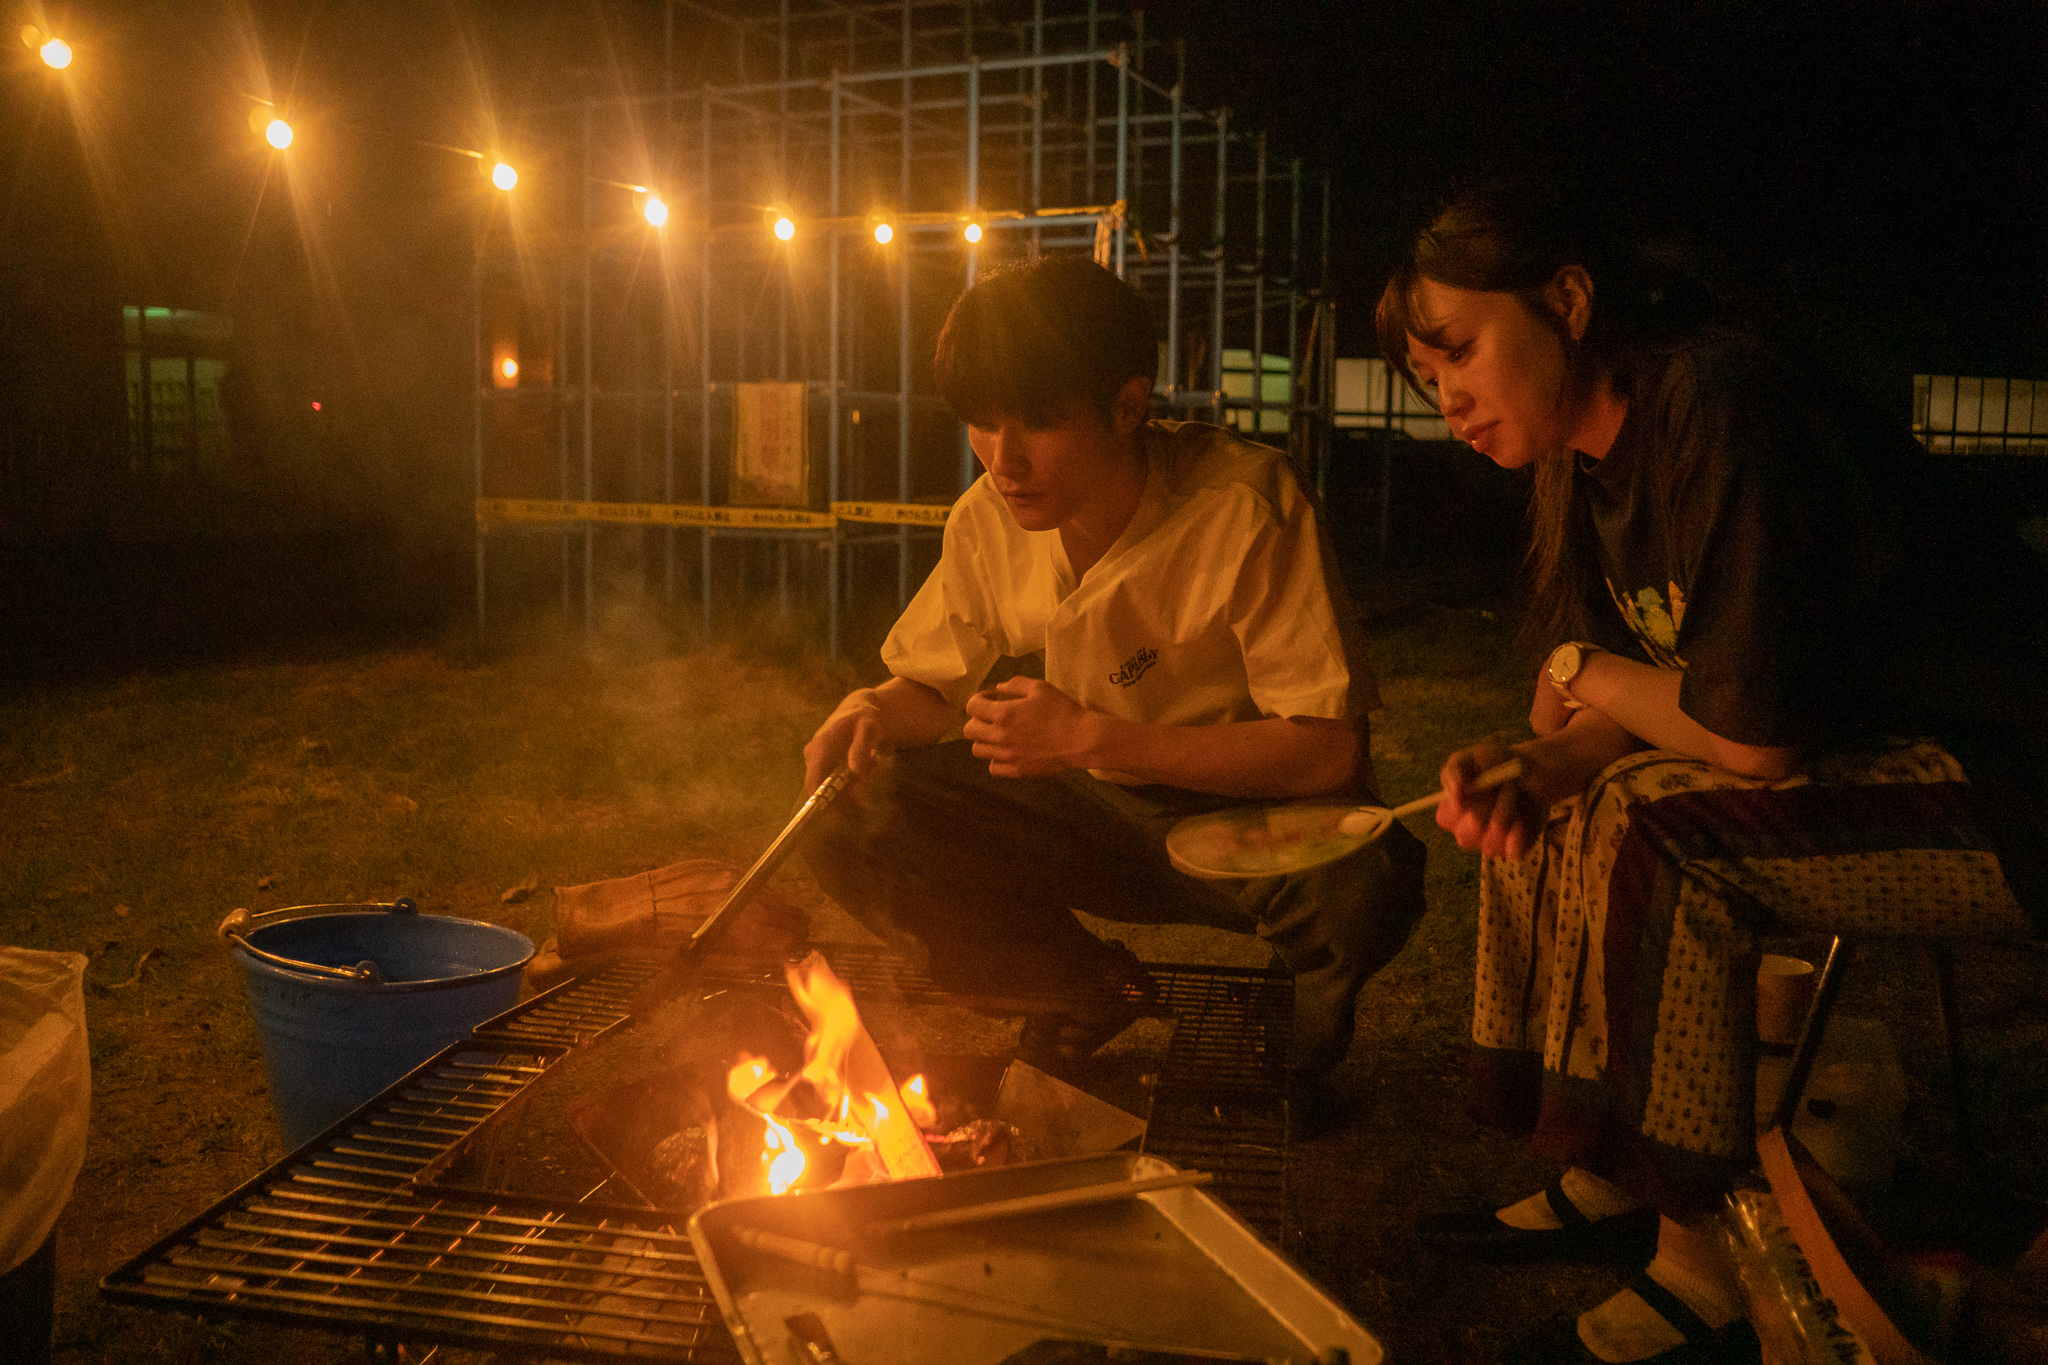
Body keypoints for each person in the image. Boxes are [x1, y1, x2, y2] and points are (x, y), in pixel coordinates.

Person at [1377, 180, 2048, 1364]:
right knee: (1569, 799)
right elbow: (1647, 701)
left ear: (1568, 300)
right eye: (1428, 379)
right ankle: (1601, 1157)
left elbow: (1747, 738)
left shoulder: (1714, 404)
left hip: (1999, 774)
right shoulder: (1587, 466)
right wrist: (1547, 755)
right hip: (1869, 751)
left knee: (1657, 832)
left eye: (1461, 352)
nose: (1449, 401)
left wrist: (1580, 676)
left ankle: (1703, 1261)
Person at [802, 255, 1426, 1088]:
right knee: (845, 814)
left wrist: (1095, 735)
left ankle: (1285, 1034)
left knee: (1365, 883)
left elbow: (1327, 753)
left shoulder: (1243, 506)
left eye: (1038, 423)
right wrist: (871, 707)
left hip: (1252, 816)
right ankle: (1081, 988)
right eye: (981, 422)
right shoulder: (990, 517)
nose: (1003, 458)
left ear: (1128, 406)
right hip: (1091, 804)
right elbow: (928, 684)